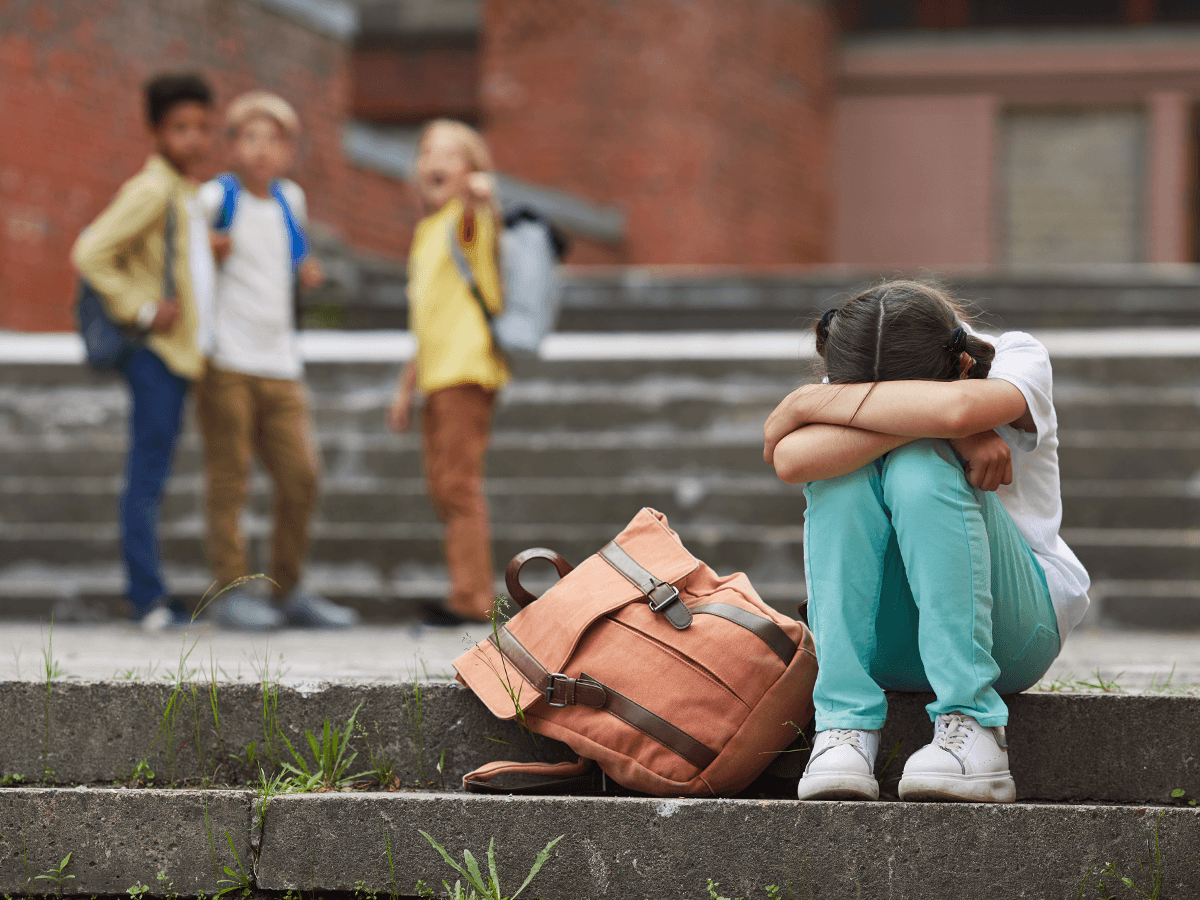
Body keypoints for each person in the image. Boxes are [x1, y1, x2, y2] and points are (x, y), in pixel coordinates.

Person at [763, 281, 1090, 803]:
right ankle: (843, 726)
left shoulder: (1016, 356)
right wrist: (951, 429)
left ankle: (974, 723)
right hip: (888, 646)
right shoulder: (861, 365)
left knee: (919, 463)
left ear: (962, 363)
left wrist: (810, 402)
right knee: (838, 477)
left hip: (1012, 635)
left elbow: (957, 410)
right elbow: (790, 459)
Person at [194, 91, 359, 630]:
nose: (262, 149)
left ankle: (288, 589)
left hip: (282, 363)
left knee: (301, 477)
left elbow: (289, 251)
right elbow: (186, 261)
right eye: (250, 137)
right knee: (230, 479)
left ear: (289, 150)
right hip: (227, 361)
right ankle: (231, 591)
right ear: (232, 146)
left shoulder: (291, 198)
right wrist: (206, 250)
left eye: (273, 139)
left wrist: (305, 268)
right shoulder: (215, 198)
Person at [72, 73, 218, 631]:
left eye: (202, 127)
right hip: (155, 355)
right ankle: (146, 597)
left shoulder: (184, 191)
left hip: (179, 356)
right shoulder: (153, 189)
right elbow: (90, 251)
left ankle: (150, 591)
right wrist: (142, 307)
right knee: (147, 476)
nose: (194, 138)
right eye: (180, 127)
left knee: (153, 473)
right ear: (155, 132)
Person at [386, 120, 507, 626]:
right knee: (444, 487)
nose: (434, 161)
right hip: (435, 376)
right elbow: (427, 319)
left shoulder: (466, 220)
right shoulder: (426, 231)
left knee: (458, 485)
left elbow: (479, 219)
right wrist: (405, 388)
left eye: (449, 154)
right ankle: (467, 589)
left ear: (470, 168)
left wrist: (480, 195)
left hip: (465, 369)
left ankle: (472, 598)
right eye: (426, 152)